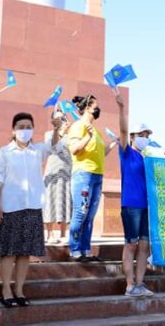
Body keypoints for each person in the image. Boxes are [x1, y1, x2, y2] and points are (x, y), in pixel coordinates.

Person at [0, 112, 60, 307]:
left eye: (28, 126)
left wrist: (56, 129)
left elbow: (54, 145)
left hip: (32, 208)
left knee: (24, 253)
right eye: (20, 127)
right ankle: (5, 289)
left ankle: (19, 289)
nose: (24, 130)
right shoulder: (5, 152)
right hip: (11, 208)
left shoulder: (38, 150)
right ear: (13, 130)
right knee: (9, 252)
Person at [115, 90, 157, 297]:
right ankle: (129, 285)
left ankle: (140, 284)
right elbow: (122, 130)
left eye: (147, 136)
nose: (145, 138)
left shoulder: (147, 157)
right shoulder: (126, 152)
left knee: (144, 245)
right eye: (142, 135)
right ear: (132, 137)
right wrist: (121, 108)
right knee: (131, 244)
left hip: (146, 206)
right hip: (131, 205)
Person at [67, 94, 117, 261]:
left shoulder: (95, 130)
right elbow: (74, 149)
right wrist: (87, 137)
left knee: (90, 216)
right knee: (80, 213)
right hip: (83, 174)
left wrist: (113, 143)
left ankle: (86, 250)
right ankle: (75, 250)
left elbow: (101, 153)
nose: (97, 109)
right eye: (95, 106)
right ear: (88, 107)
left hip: (97, 175)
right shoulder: (78, 126)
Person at [42, 110, 72, 244]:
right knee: (51, 202)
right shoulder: (49, 134)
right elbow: (53, 145)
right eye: (57, 118)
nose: (61, 120)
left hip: (66, 173)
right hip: (53, 172)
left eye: (62, 117)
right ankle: (49, 234)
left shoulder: (70, 136)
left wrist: (68, 131)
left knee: (64, 202)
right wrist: (58, 131)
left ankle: (63, 233)